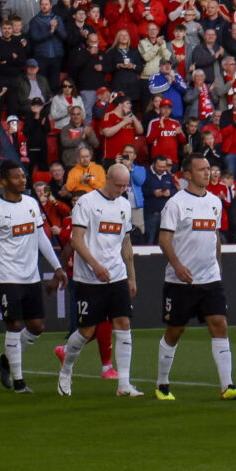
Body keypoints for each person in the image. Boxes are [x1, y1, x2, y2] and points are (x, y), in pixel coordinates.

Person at [155, 154, 236, 401]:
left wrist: (218, 266)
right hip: (181, 281)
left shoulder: (214, 202)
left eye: (209, 169)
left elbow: (215, 237)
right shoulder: (176, 204)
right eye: (201, 169)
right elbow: (164, 240)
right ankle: (162, 384)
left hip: (210, 279)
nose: (207, 173)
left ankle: (227, 386)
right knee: (175, 331)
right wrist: (177, 265)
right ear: (187, 175)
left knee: (219, 324)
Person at [0, 159, 63, 395]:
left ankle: (5, 361)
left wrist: (57, 267)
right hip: (6, 276)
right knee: (14, 325)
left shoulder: (31, 204)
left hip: (31, 275)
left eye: (23, 176)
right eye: (16, 177)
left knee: (37, 327)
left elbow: (41, 238)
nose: (22, 180)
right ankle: (19, 382)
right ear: (3, 181)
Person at [59, 163, 138, 397]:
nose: (121, 190)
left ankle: (124, 383)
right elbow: (77, 240)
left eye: (125, 186)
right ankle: (66, 370)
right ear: (108, 180)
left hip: (117, 275)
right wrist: (95, 265)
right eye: (118, 185)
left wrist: (131, 276)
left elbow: (126, 242)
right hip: (89, 278)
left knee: (123, 323)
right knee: (86, 330)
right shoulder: (87, 203)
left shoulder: (124, 204)